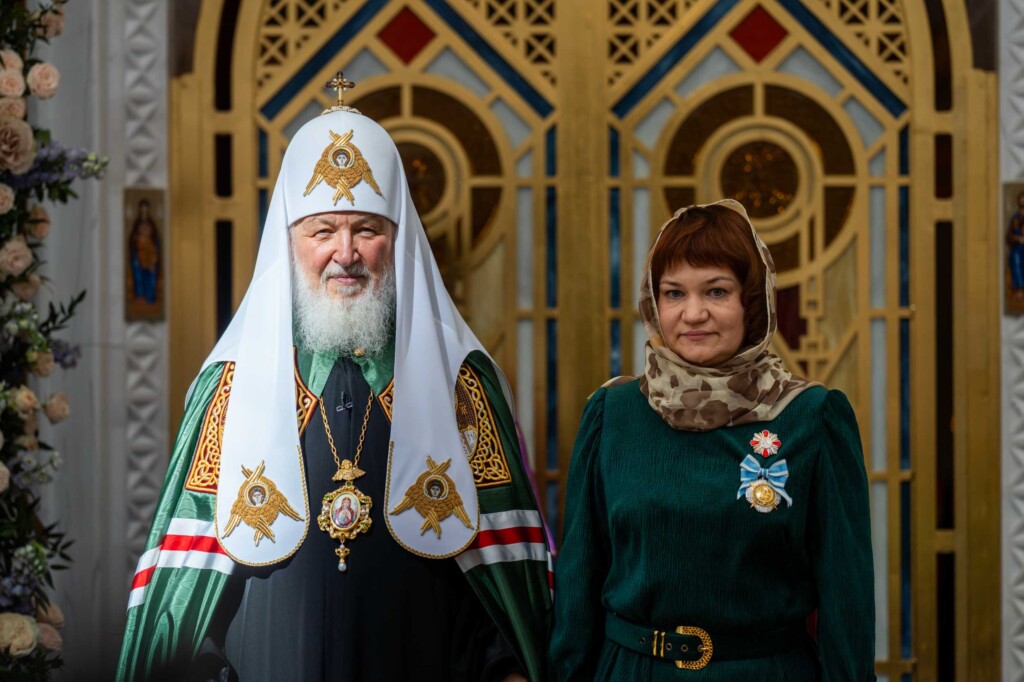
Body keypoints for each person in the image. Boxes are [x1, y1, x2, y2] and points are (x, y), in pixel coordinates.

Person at [117, 76, 550, 681]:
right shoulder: (230, 387)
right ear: (289, 241)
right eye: (323, 231)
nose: (345, 253)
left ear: (396, 239)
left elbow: (503, 589)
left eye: (366, 230)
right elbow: (186, 590)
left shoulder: (460, 382)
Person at [549, 200, 874, 680]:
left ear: (752, 302)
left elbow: (846, 601)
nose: (693, 313)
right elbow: (578, 584)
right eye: (674, 293)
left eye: (716, 291)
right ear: (654, 303)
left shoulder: (811, 418)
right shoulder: (612, 415)